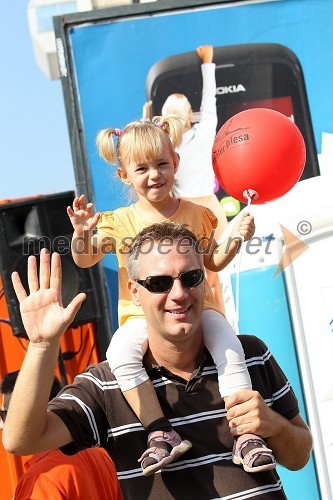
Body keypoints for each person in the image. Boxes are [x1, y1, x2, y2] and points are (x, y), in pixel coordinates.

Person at [3, 231, 312, 499]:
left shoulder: (250, 353)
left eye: (191, 278)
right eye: (160, 282)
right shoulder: (105, 386)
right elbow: (21, 440)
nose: (179, 294)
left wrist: (273, 424)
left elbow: (299, 455)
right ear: (134, 291)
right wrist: (43, 345)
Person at [67, 115, 261, 475]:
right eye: (141, 168)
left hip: (198, 311)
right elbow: (85, 257)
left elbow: (212, 261)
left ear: (175, 162)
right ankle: (160, 432)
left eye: (161, 164)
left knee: (230, 348)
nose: (154, 174)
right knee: (119, 354)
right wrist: (80, 232)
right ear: (125, 175)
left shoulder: (197, 214)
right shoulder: (119, 221)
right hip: (143, 319)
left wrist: (236, 237)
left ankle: (246, 435)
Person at [161, 45, 228, 308]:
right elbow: (209, 102)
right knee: (217, 276)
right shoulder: (203, 134)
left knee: (192, 279)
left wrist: (145, 116)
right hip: (210, 210)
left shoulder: (165, 149)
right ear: (189, 114)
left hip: (183, 214)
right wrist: (207, 62)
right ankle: (222, 323)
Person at [0, 371, 122, 500]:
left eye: (5, 414)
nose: (1, 424)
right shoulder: (100, 458)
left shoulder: (40, 478)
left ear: (35, 414)